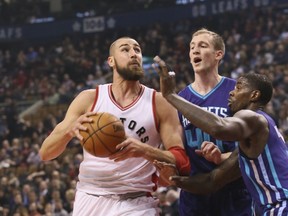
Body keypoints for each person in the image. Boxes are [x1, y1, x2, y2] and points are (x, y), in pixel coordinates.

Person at [39, 37, 190, 216]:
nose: (134, 54)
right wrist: (69, 130)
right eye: (125, 50)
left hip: (136, 201)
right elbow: (46, 153)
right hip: (89, 197)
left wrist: (144, 150)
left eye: (137, 50)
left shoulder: (159, 102)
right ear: (111, 61)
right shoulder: (89, 99)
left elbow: (181, 161)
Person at [154, 57, 288, 215]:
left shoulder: (254, 118)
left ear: (254, 95)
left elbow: (219, 127)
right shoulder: (252, 139)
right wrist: (175, 179)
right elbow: (212, 181)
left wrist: (171, 95)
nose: (232, 91)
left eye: (239, 88)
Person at [156, 28, 253, 215]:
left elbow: (253, 143)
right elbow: (175, 146)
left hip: (233, 190)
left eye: (202, 45)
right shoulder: (180, 98)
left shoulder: (237, 91)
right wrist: (168, 165)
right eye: (192, 47)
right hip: (195, 194)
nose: (195, 50)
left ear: (218, 54)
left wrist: (223, 157)